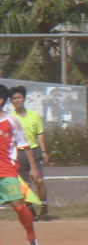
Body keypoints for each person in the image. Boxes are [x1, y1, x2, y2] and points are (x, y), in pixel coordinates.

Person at [0, 85, 40, 245]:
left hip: (7, 169)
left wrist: (33, 167)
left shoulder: (12, 121)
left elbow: (25, 145)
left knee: (18, 205)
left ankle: (31, 237)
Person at [9, 86, 51, 219]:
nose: (17, 100)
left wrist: (44, 151)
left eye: (19, 97)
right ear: (11, 101)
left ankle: (44, 206)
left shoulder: (34, 115)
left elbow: (40, 134)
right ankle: (30, 209)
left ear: (24, 99)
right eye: (14, 98)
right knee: (26, 185)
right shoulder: (10, 118)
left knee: (39, 181)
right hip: (19, 153)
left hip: (34, 150)